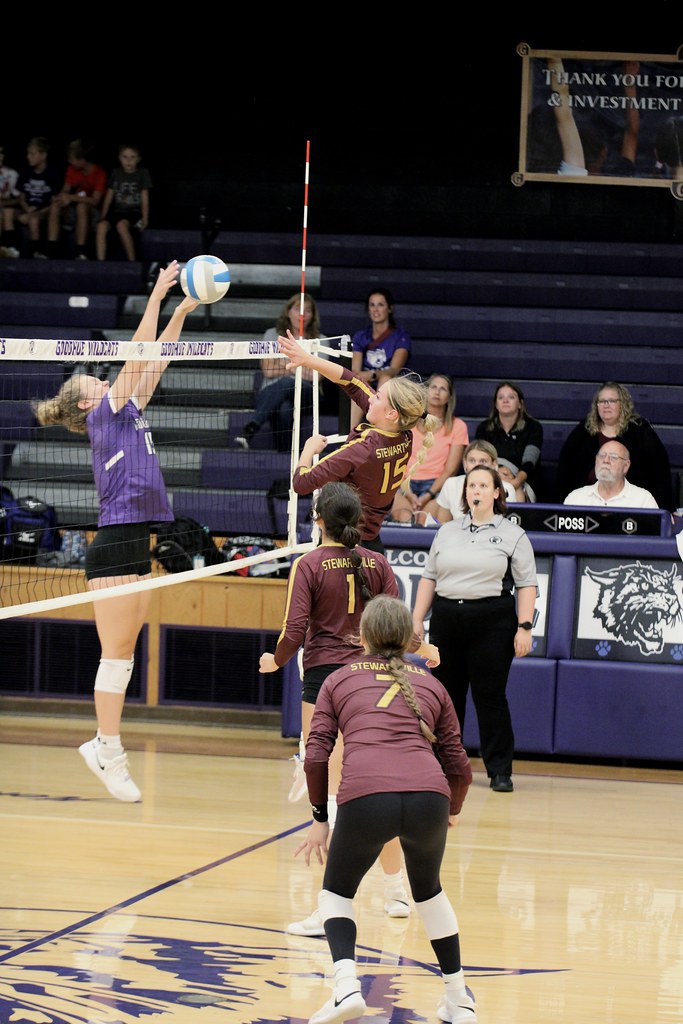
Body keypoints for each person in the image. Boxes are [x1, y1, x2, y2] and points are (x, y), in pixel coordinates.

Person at [32, 262, 200, 801]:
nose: (105, 380)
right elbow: (137, 350)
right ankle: (108, 748)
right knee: (115, 655)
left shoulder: (127, 412)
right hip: (112, 545)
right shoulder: (105, 415)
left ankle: (103, 746)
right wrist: (155, 293)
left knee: (125, 653)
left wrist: (181, 311)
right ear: (86, 402)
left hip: (137, 538)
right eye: (95, 381)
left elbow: (155, 359)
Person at [260, 481, 438, 937]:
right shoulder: (378, 562)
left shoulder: (309, 564)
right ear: (356, 521)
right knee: (377, 784)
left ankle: (332, 907)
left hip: (326, 684)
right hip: (375, 678)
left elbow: (294, 629)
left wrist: (273, 660)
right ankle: (397, 890)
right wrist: (425, 646)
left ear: (317, 520)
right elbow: (396, 623)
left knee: (336, 797)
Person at [296, 594, 476, 1024]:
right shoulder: (433, 685)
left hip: (366, 796)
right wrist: (450, 807)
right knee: (429, 892)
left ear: (361, 636)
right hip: (428, 797)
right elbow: (461, 766)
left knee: (336, 893)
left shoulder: (337, 680)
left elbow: (316, 755)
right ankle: (459, 999)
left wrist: (320, 818)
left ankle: (345, 988)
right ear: (411, 640)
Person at [413, 465, 538, 793]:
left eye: (484, 485)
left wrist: (524, 627)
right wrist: (416, 618)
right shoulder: (448, 531)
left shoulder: (513, 534)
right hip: (446, 618)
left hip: (492, 620)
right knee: (446, 698)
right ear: (465, 493)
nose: (477, 491)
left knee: (490, 696)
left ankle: (499, 770)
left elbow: (526, 584)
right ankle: (443, 766)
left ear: (497, 492)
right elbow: (429, 576)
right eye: (472, 486)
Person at [277, 329, 438, 554]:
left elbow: (301, 483)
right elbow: (353, 382)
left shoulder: (362, 450)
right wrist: (309, 360)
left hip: (344, 544)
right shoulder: (405, 434)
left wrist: (309, 449)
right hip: (371, 541)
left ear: (392, 414)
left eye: (379, 396)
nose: (372, 398)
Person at [556, 381, 674, 511]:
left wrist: (666, 509)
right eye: (601, 401)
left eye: (612, 401)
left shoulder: (639, 430)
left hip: (631, 504)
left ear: (622, 404)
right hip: (589, 502)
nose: (606, 405)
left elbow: (659, 469)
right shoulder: (584, 431)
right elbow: (565, 470)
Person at [234, 293, 327, 452]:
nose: (302, 314)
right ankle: (285, 458)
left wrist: (282, 364)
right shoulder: (271, 334)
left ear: (313, 315)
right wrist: (302, 364)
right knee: (284, 408)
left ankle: (252, 427)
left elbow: (316, 376)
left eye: (307, 310)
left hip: (306, 394)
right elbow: (268, 370)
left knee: (287, 382)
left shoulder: (321, 340)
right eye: (298, 309)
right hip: (270, 392)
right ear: (288, 311)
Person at [390, 373, 469, 524]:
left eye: (443, 389)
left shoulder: (458, 426)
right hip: (404, 482)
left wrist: (428, 494)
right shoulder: (408, 422)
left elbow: (450, 470)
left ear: (450, 397)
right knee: (405, 518)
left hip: (436, 486)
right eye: (433, 387)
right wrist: (409, 493)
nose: (437, 392)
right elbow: (396, 461)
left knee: (424, 520)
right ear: (425, 392)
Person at [350, 288, 412, 429]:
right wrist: (363, 377)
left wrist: (372, 374)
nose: (376, 310)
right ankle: (349, 434)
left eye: (380, 305)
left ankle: (379, 431)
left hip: (392, 385)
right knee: (357, 381)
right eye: (372, 305)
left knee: (385, 380)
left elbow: (394, 370)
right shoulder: (361, 336)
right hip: (367, 384)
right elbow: (355, 369)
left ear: (390, 309)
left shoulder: (400, 336)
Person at [474, 380, 544, 498]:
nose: (505, 400)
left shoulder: (533, 427)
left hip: (523, 480)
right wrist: (497, 472)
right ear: (496, 404)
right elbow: (479, 459)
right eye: (501, 398)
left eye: (511, 397)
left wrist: (516, 482)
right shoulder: (484, 428)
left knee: (516, 493)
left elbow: (530, 461)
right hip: (489, 478)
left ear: (520, 404)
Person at [2, 137, 62, 259]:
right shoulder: (26, 172)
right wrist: (27, 209)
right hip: (27, 209)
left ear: (43, 155)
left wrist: (35, 213)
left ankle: (36, 252)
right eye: (28, 154)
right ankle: (11, 248)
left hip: (43, 211)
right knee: (8, 212)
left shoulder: (52, 173)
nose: (28, 157)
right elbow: (22, 197)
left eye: (32, 154)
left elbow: (54, 201)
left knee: (33, 220)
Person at [47, 139, 107, 259]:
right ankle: (51, 249)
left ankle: (81, 251)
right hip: (72, 208)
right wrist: (61, 197)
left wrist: (71, 198)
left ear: (82, 160)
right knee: (55, 205)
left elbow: (95, 200)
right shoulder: (71, 169)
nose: (69, 161)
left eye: (72, 158)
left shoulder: (99, 173)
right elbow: (66, 190)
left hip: (92, 213)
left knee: (81, 206)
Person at [436, 440, 516, 524]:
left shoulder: (507, 489)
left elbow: (507, 528)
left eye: (483, 461)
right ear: (465, 463)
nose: (477, 466)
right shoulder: (451, 484)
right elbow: (442, 524)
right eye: (472, 461)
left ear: (494, 464)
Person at [96, 143, 152, 261]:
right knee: (101, 227)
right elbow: (109, 195)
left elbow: (144, 197)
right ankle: (100, 262)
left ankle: (132, 261)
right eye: (125, 157)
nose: (128, 161)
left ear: (138, 159)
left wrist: (145, 219)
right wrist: (103, 215)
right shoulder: (116, 173)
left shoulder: (142, 173)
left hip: (134, 212)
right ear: (119, 158)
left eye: (132, 157)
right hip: (118, 212)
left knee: (121, 225)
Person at [563, 440, 658, 508]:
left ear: (626, 466)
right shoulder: (575, 499)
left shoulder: (644, 501)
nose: (606, 461)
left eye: (613, 457)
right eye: (602, 456)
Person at [0, 143, 20, 257]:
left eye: (1, 153)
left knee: (7, 212)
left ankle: (8, 247)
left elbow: (18, 200)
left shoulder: (12, 174)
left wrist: (3, 203)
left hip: (7, 207)